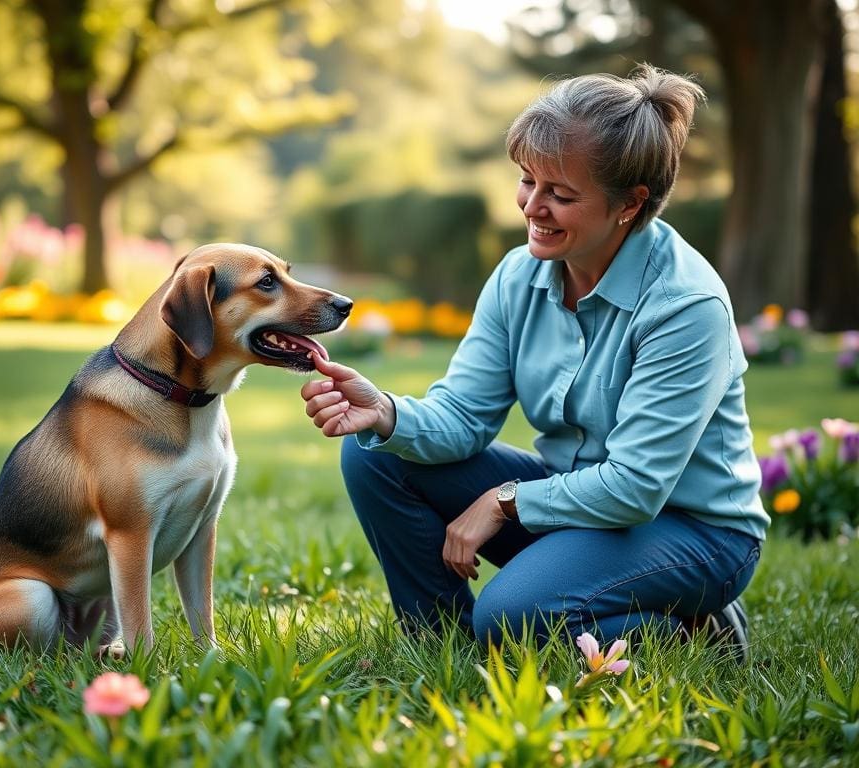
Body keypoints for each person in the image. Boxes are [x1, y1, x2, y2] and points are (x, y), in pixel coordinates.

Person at [300, 65, 767, 660]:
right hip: (577, 501)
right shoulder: (521, 275)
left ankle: (695, 624)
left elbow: (637, 488)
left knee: (513, 616)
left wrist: (504, 501)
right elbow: (465, 415)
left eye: (561, 195)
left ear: (630, 204)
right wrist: (386, 413)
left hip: (690, 530)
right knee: (378, 456)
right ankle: (445, 645)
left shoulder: (684, 306)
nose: (532, 208)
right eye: (527, 181)